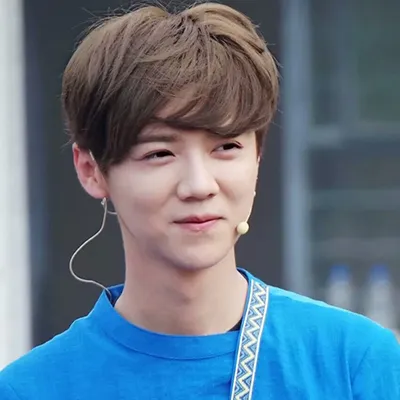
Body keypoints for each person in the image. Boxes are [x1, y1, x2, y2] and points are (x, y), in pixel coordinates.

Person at [1, 2, 399, 399]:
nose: (199, 184)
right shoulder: (31, 389)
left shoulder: (354, 364)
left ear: (257, 157)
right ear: (91, 169)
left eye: (226, 147)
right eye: (160, 153)